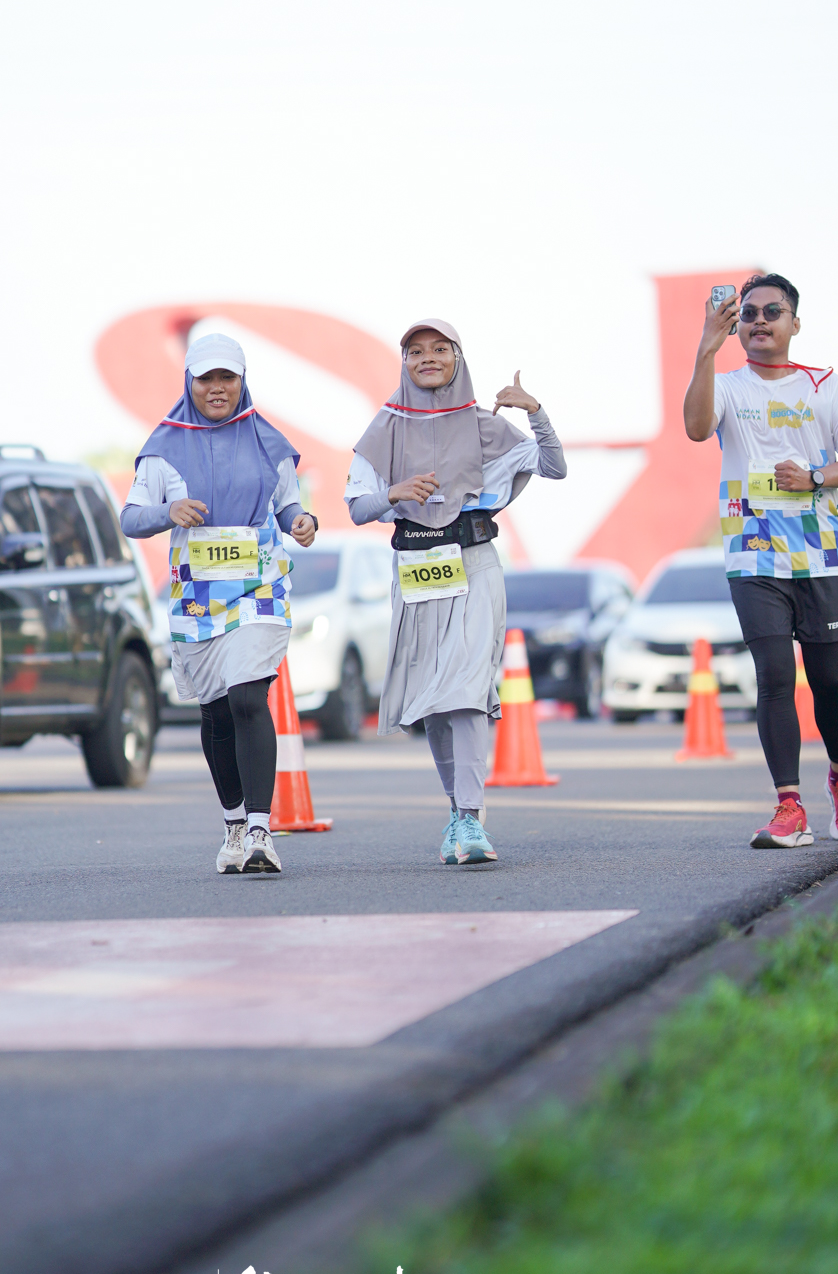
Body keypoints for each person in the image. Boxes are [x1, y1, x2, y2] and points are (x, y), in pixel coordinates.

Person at [346, 320, 567, 866]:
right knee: (434, 701)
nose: (428, 358)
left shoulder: (484, 424)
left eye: (439, 349)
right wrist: (394, 492)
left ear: (457, 358)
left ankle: (469, 816)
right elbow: (357, 508)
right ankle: (457, 809)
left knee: (466, 688)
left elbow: (554, 467)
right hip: (417, 569)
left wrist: (535, 412)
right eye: (416, 351)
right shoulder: (385, 425)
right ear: (404, 362)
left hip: (475, 564)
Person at [683, 273, 838, 847]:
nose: (759, 321)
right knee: (773, 677)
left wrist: (814, 477)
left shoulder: (825, 385)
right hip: (753, 555)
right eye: (749, 314)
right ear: (736, 326)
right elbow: (695, 429)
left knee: (829, 680)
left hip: (818, 554)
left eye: (773, 311)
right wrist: (706, 349)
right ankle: (789, 805)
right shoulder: (726, 385)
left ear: (795, 323)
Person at [119, 334, 317, 875]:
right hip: (198, 597)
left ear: (242, 380)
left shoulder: (269, 442)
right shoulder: (164, 446)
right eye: (206, 378)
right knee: (217, 712)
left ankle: (260, 830)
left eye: (227, 377)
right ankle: (233, 824)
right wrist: (169, 512)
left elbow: (288, 505)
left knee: (249, 696)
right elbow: (131, 518)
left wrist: (301, 522)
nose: (217, 388)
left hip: (259, 587)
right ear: (189, 381)